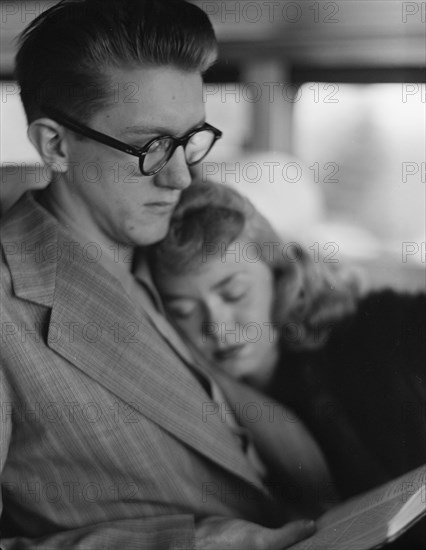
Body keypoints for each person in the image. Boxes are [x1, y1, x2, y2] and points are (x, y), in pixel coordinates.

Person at [0, 1, 325, 548]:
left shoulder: (167, 239)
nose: (179, 177)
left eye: (189, 138)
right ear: (55, 145)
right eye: (150, 147)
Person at [150, 180, 426, 512]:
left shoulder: (385, 327)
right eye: (183, 311)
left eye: (235, 293)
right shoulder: (200, 408)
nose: (218, 328)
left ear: (279, 273)